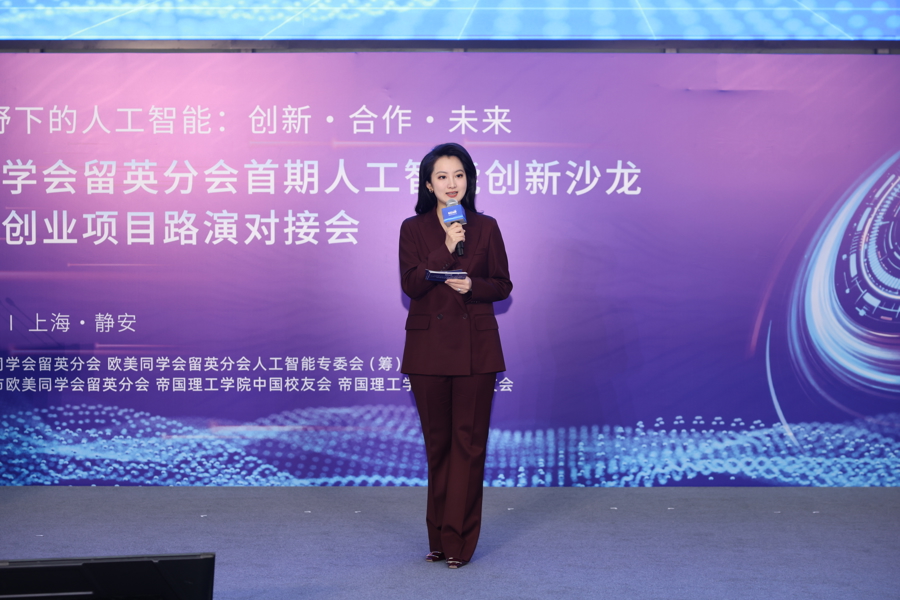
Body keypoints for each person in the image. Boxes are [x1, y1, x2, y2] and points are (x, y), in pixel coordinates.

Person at [399, 142, 512, 569]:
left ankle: (459, 543)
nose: (452, 184)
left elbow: (502, 284)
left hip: (475, 352)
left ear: (469, 180)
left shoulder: (487, 226)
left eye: (459, 175)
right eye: (442, 176)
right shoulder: (413, 228)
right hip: (428, 351)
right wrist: (446, 246)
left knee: (469, 445)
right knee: (439, 446)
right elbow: (411, 284)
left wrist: (474, 287)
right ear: (429, 184)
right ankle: (438, 539)